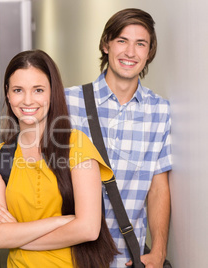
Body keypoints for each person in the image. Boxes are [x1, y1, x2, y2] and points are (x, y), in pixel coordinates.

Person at [0, 49, 118, 268]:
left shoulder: (77, 145)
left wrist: (18, 236)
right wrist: (61, 220)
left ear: (52, 93)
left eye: (38, 90)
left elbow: (88, 229)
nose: (27, 100)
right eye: (18, 90)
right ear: (7, 94)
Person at [65, 8, 172, 267]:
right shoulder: (70, 102)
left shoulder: (160, 110)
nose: (130, 52)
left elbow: (158, 187)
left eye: (140, 44)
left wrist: (158, 251)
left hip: (129, 258)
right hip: (72, 255)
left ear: (149, 52)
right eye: (122, 41)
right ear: (106, 44)